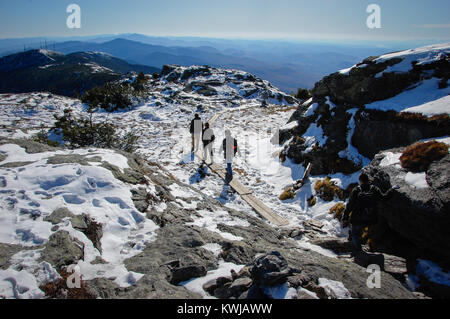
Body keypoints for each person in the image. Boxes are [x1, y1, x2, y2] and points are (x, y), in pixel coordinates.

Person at [342, 172, 399, 254]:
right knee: (372, 234)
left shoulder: (356, 190)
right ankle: (372, 249)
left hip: (357, 218)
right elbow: (384, 197)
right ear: (368, 180)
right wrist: (392, 189)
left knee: (355, 234)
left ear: (360, 180)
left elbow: (350, 205)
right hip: (371, 217)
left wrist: (345, 217)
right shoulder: (374, 189)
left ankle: (358, 250)